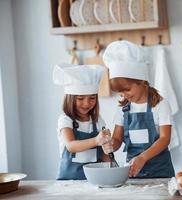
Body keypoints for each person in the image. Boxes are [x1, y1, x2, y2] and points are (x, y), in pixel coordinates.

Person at [102, 40, 175, 178]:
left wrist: (142, 157)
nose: (124, 95)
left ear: (141, 80)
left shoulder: (160, 105)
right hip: (133, 174)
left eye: (127, 90)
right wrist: (110, 144)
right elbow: (117, 139)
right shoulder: (123, 109)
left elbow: (165, 139)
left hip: (160, 172)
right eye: (120, 93)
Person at [53, 63, 110, 180]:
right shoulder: (65, 120)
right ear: (70, 98)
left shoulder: (98, 120)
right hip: (69, 182)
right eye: (80, 98)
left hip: (95, 180)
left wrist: (112, 165)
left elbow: (105, 155)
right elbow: (70, 146)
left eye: (92, 98)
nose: (86, 103)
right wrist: (96, 140)